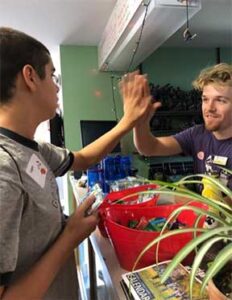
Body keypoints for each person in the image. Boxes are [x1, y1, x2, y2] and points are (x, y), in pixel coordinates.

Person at [0, 27, 152, 300]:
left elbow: (83, 158)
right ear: (30, 77)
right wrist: (69, 236)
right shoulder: (3, 168)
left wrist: (127, 123)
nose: (57, 86)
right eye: (52, 75)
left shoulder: (32, 149)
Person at [131, 63, 232, 191]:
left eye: (220, 100)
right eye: (205, 99)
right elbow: (149, 147)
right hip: (205, 210)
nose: (209, 108)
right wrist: (139, 122)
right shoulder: (197, 134)